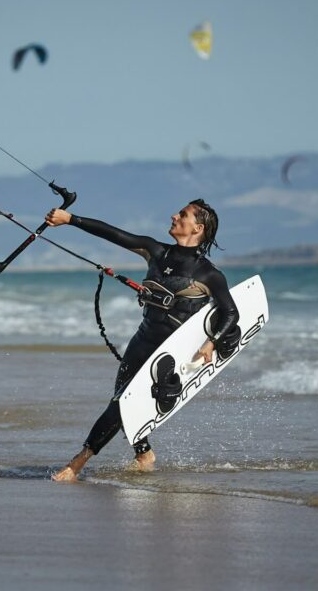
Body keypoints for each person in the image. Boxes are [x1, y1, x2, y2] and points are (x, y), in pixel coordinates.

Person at [44, 199, 241, 482]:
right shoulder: (155, 251)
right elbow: (113, 233)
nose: (174, 215)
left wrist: (212, 342)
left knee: (121, 403)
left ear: (197, 228)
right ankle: (144, 453)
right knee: (123, 401)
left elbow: (230, 313)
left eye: (182, 214)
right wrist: (70, 219)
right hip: (141, 340)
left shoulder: (209, 274)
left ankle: (76, 464)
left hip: (168, 353)